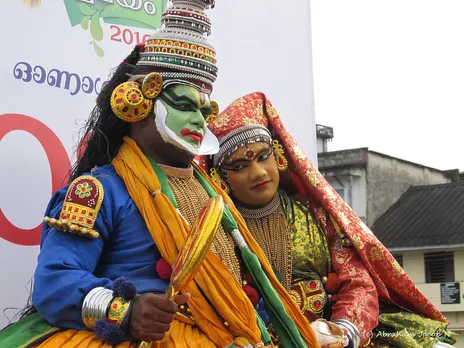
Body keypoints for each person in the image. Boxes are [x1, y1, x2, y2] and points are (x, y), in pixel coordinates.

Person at [0, 2, 323, 347]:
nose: (199, 120)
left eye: (203, 108)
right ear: (139, 107)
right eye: (184, 106)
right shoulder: (96, 191)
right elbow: (54, 282)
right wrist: (125, 309)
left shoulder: (215, 196)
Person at [202, 91, 458, 348]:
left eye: (262, 157)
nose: (257, 173)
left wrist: (342, 330)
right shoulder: (219, 230)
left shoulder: (315, 214)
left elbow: (357, 283)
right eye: (239, 166)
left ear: (278, 155)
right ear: (219, 177)